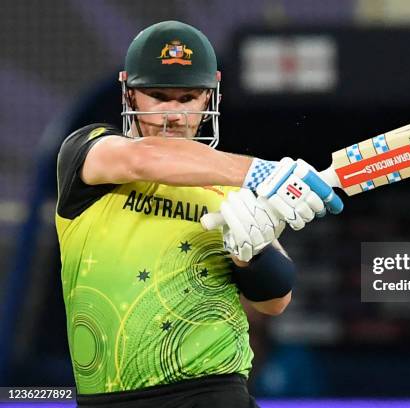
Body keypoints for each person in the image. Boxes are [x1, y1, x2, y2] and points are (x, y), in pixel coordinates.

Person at [55, 20, 342, 408]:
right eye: (157, 95)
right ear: (129, 94)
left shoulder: (229, 185)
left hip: (216, 392)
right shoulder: (91, 152)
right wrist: (263, 172)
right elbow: (143, 159)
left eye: (188, 97)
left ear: (210, 96)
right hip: (111, 399)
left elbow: (275, 301)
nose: (173, 114)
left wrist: (251, 255)